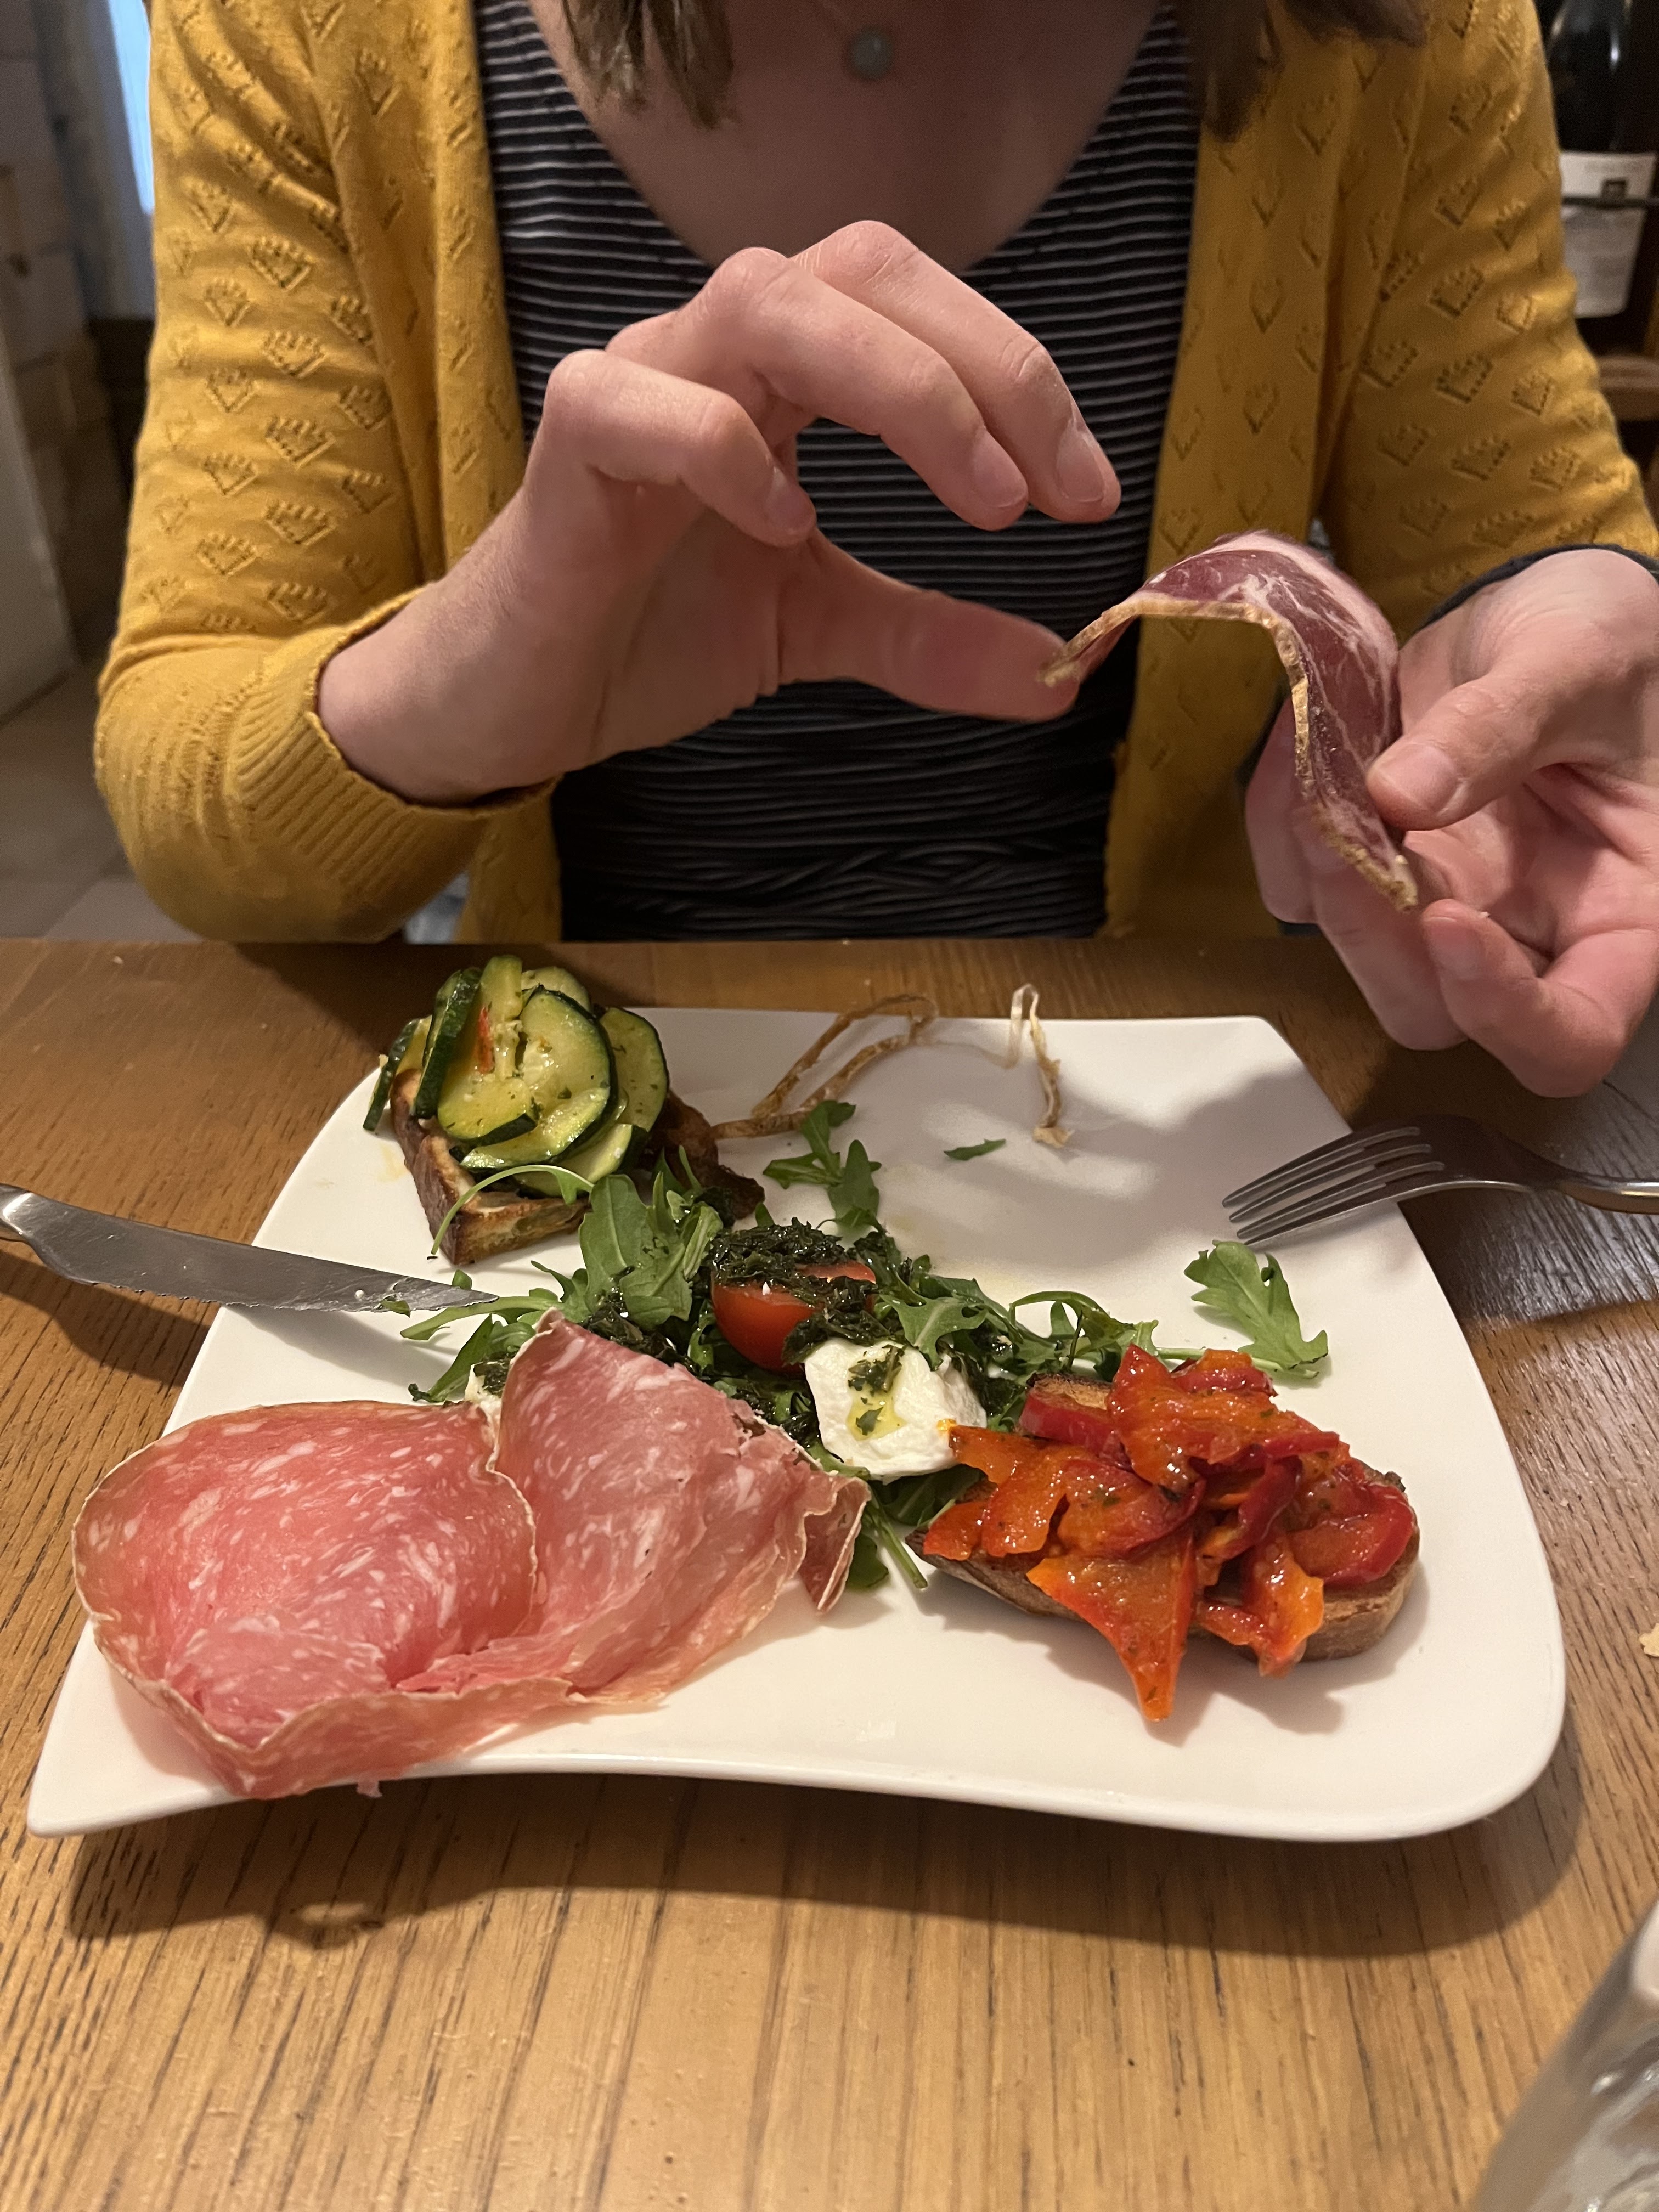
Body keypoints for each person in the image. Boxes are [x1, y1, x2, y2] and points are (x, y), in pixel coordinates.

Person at [99, 0, 1659, 1094]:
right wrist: (476, 676)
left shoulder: (1407, 31)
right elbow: (191, 803)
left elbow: (1541, 580)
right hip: (596, 1102)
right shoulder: (300, 27)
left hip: (1193, 1096)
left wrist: (1590, 654)